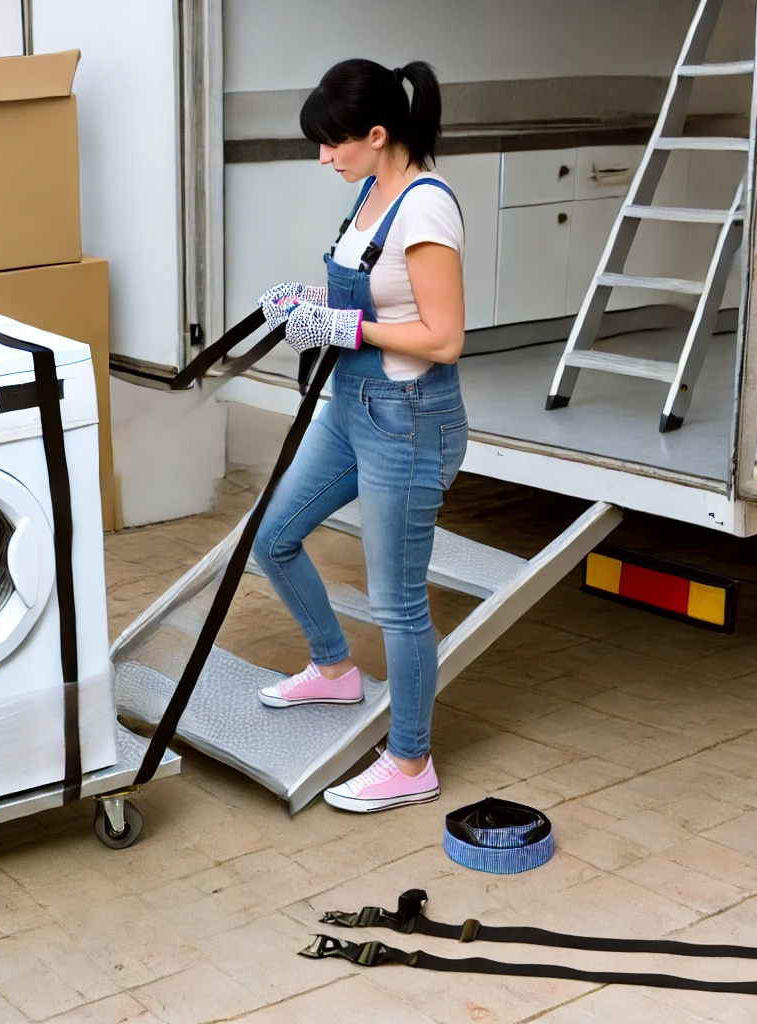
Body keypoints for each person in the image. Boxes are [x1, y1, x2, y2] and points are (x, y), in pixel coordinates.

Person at [251, 59, 469, 813]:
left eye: (332, 144)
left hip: (407, 421)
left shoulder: (426, 208)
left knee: (399, 604)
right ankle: (335, 671)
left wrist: (340, 324)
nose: (323, 158)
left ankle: (411, 764)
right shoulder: (372, 193)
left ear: (378, 135)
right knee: (271, 537)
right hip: (350, 407)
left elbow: (443, 337)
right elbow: (371, 288)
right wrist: (303, 300)